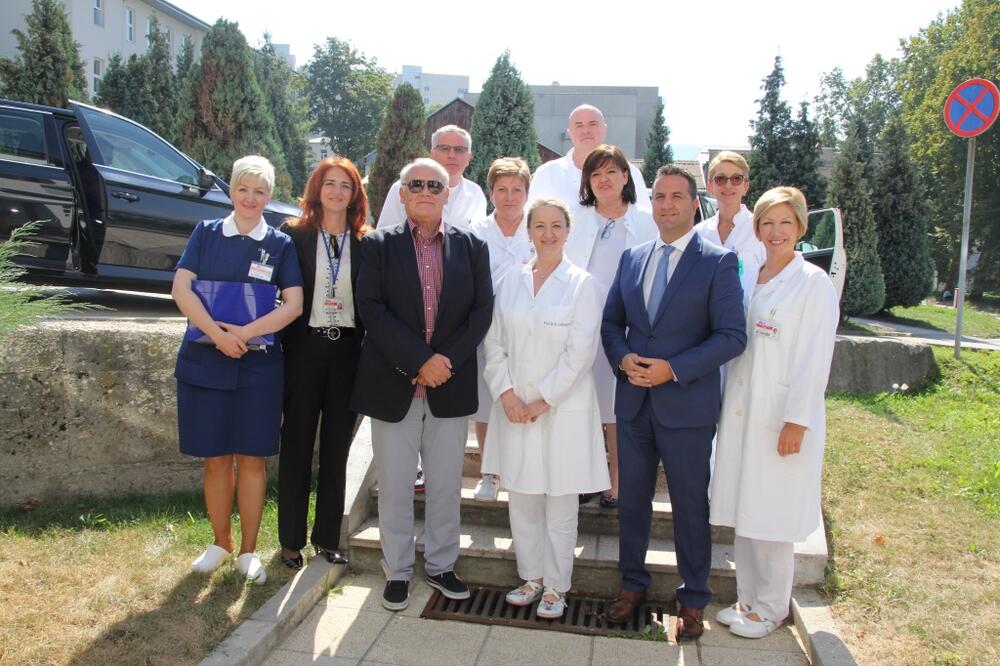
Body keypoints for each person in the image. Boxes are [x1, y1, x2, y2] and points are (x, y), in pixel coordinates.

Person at [601, 165, 746, 639]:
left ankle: (694, 598)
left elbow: (732, 336)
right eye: (659, 196)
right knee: (632, 503)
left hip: (687, 407)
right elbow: (611, 323)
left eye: (677, 196)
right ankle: (631, 585)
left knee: (689, 507)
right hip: (634, 404)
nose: (666, 204)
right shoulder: (632, 258)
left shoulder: (718, 262)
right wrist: (622, 359)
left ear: (694, 204)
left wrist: (674, 368)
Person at [351, 157, 493, 611]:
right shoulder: (378, 245)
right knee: (395, 485)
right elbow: (371, 309)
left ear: (448, 193)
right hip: (394, 384)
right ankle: (396, 570)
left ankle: (440, 564)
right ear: (402, 193)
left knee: (446, 485)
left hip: (449, 384)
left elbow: (481, 313)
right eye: (417, 185)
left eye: (435, 185)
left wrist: (442, 363)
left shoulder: (472, 246)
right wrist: (420, 361)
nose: (426, 191)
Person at [709, 187, 839, 639]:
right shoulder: (753, 275)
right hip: (743, 411)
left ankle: (772, 607)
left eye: (785, 222)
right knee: (746, 510)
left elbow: (815, 359)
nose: (775, 231)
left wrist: (797, 421)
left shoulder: (812, 284)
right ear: (757, 228)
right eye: (767, 222)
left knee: (772, 514)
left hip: (780, 417)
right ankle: (747, 599)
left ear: (800, 227)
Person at [171, 155, 304, 584]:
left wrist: (243, 334)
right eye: (243, 189)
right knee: (215, 458)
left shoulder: (280, 244)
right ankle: (220, 542)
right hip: (206, 360)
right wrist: (218, 335)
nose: (250, 198)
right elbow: (181, 289)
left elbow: (294, 305)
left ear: (270, 195)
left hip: (257, 367)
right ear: (231, 191)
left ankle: (248, 550)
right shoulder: (206, 233)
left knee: (251, 458)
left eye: (259, 191)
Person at [480, 197, 610, 619]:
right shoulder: (510, 281)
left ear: (568, 232)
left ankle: (556, 586)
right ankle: (531, 577)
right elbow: (493, 343)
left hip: (561, 409)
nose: (548, 234)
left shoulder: (582, 284)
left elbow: (581, 352)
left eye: (556, 226)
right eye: (540, 226)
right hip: (514, 408)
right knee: (522, 499)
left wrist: (542, 400)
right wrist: (507, 395)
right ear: (529, 231)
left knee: (560, 504)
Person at [277, 157, 372, 569]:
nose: (336, 191)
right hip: (304, 349)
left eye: (345, 186)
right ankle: (290, 541)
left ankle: (328, 538)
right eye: (329, 183)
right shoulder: (293, 235)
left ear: (355, 195)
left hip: (348, 352)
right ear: (317, 189)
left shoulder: (367, 242)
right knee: (296, 445)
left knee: (337, 449)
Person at [565, 144, 657, 509]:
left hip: (626, 330)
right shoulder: (574, 217)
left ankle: (616, 482)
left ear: (625, 177)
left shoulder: (646, 220)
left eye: (611, 172)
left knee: (617, 409)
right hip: (579, 326)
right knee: (581, 405)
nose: (604, 180)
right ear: (587, 180)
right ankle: (583, 478)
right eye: (596, 173)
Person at [468, 157, 535, 502]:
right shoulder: (475, 231)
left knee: (523, 397)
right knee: (486, 402)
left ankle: (523, 472)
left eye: (517, 190)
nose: (510, 197)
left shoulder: (538, 228)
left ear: (527, 193)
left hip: (529, 331)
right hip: (485, 328)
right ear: (491, 192)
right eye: (502, 189)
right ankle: (489, 474)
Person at [529, 105, 650, 213]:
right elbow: (530, 223)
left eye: (593, 124)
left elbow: (645, 221)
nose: (586, 131)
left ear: (605, 129)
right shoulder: (547, 173)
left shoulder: (629, 172)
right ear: (570, 133)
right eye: (579, 125)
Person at [376, 125, 487, 230]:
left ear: (469, 157)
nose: (451, 155)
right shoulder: (405, 187)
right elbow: (385, 235)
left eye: (459, 149)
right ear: (432, 154)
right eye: (444, 148)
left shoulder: (475, 194)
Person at [695, 151, 766, 314]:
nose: (728, 185)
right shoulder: (698, 234)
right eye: (720, 179)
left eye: (736, 179)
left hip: (748, 319)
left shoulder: (760, 231)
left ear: (745, 186)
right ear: (710, 186)